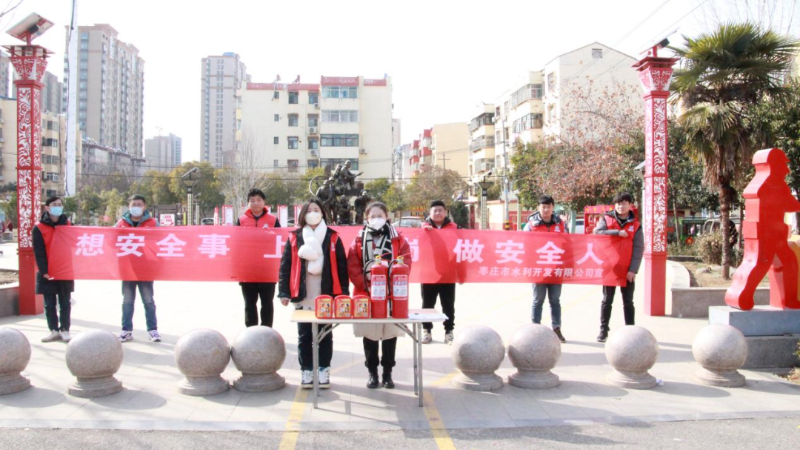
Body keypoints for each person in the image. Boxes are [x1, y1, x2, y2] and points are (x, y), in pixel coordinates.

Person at [278, 199, 349, 389]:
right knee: (304, 336)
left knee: (325, 335)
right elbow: (285, 265)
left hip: (326, 293)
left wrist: (343, 293)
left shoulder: (333, 237)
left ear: (323, 213)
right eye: (309, 210)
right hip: (303, 293)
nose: (313, 213)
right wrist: (284, 292)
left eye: (316, 210)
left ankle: (324, 370)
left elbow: (342, 266)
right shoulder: (295, 237)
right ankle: (307, 370)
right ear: (303, 214)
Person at [348, 201, 412, 389]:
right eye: (373, 216)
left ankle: (388, 373)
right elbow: (353, 266)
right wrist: (367, 286)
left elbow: (406, 262)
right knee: (370, 334)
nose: (376, 219)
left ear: (387, 217)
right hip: (366, 293)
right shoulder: (358, 240)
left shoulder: (398, 239)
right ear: (366, 218)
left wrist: (390, 284)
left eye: (380, 216)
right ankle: (372, 372)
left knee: (390, 333)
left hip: (391, 294)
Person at [594, 193, 644, 343]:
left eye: (624, 203)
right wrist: (617, 233)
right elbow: (597, 233)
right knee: (606, 300)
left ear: (630, 205)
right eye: (618, 204)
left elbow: (638, 248)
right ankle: (603, 330)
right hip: (610, 268)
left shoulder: (636, 225)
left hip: (627, 269)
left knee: (628, 301)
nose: (621, 206)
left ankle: (630, 330)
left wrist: (633, 270)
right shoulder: (606, 219)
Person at [116, 195, 161, 342]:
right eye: (133, 204)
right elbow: (111, 240)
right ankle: (126, 330)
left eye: (139, 204)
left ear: (144, 207)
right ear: (129, 207)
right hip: (127, 269)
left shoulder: (153, 223)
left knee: (148, 300)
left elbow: (161, 240)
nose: (136, 207)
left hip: (146, 269)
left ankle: (153, 330)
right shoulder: (121, 223)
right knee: (127, 301)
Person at [526, 195, 568, 343]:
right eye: (543, 207)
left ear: (553, 207)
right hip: (538, 270)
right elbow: (523, 244)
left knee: (555, 300)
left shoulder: (561, 224)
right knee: (538, 300)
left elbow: (569, 243)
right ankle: (535, 329)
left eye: (549, 207)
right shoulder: (531, 225)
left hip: (556, 269)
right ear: (538, 208)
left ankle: (556, 329)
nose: (546, 210)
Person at [237, 188, 280, 328]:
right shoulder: (241, 220)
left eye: (259, 200)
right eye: (252, 200)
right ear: (248, 203)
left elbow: (280, 241)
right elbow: (236, 242)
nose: (255, 203)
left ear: (264, 202)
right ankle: (251, 332)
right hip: (247, 269)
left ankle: (266, 331)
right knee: (249, 303)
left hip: (267, 269)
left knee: (267, 303)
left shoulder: (273, 220)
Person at [33, 197, 75, 343]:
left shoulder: (68, 225)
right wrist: (44, 270)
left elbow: (75, 245)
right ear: (47, 208)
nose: (58, 207)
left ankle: (65, 330)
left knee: (65, 302)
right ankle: (53, 330)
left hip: (64, 270)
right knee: (49, 303)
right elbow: (38, 251)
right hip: (47, 271)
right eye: (54, 205)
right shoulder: (39, 227)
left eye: (59, 204)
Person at [419, 200, 459, 345]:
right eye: (434, 210)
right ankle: (427, 331)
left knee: (448, 304)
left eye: (440, 210)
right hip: (428, 273)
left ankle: (449, 332)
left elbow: (463, 245)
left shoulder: (454, 228)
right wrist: (424, 233)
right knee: (427, 304)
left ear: (445, 212)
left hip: (448, 273)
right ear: (429, 213)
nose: (437, 213)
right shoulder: (422, 228)